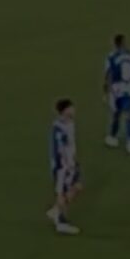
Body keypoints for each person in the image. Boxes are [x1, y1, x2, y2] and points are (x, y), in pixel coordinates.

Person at [48, 99, 82, 235]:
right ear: (64, 111)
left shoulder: (70, 123)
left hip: (71, 164)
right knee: (61, 193)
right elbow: (59, 150)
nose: (73, 110)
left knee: (78, 187)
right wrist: (64, 166)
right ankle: (61, 222)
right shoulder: (58, 130)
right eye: (71, 108)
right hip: (63, 167)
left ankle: (56, 210)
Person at [103, 34, 130, 154]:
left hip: (117, 90)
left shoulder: (111, 57)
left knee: (116, 113)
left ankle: (113, 137)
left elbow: (108, 75)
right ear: (124, 43)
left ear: (114, 44)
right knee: (128, 115)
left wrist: (106, 91)